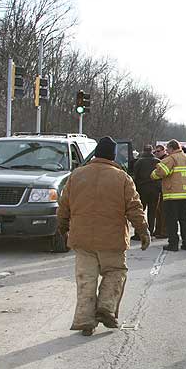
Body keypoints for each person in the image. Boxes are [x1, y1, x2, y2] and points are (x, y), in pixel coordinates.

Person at [57, 137, 150, 336]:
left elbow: (64, 206)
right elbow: (135, 208)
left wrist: (63, 227)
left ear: (96, 153)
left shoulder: (77, 175)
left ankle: (85, 320)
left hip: (82, 239)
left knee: (86, 279)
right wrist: (142, 231)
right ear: (113, 156)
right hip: (112, 239)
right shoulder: (122, 178)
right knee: (115, 272)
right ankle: (106, 308)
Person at [151, 139, 186, 252]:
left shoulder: (171, 159)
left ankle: (173, 244)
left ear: (171, 148)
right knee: (184, 219)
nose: (167, 152)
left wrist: (153, 174)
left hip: (173, 194)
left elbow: (159, 173)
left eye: (168, 149)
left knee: (172, 220)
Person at [132, 145, 161, 239]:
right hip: (155, 190)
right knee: (152, 212)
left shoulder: (139, 162)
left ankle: (138, 233)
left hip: (142, 189)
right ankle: (150, 232)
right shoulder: (158, 161)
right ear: (152, 151)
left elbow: (135, 176)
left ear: (143, 151)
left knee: (140, 212)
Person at [153, 144, 168, 239]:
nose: (156, 153)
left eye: (158, 151)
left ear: (163, 151)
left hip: (165, 189)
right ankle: (158, 230)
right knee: (158, 212)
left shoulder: (166, 160)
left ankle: (164, 231)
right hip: (159, 189)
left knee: (163, 211)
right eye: (155, 152)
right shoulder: (159, 160)